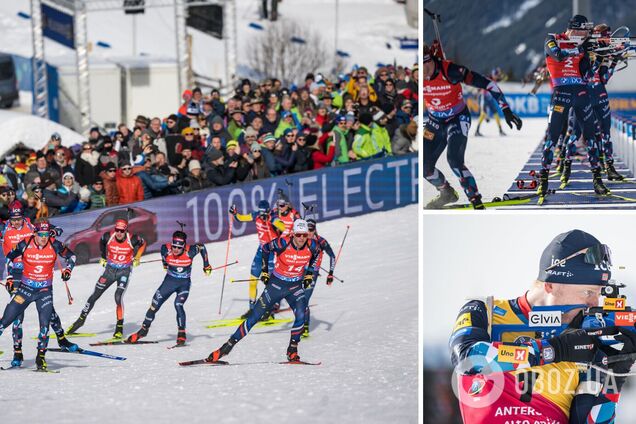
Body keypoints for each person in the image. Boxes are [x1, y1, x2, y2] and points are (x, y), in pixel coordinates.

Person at [450, 229, 635, 423]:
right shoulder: (485, 311)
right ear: (550, 285)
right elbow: (467, 358)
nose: (594, 302)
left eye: (598, 293)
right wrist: (552, 350)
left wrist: (615, 374)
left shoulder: (586, 336)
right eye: (588, 292)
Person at [206, 219, 321, 363]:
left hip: (295, 287)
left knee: (302, 313)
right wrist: (265, 271)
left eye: (305, 235)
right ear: (292, 234)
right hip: (276, 286)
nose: (302, 239)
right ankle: (225, 348)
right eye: (298, 235)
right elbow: (266, 249)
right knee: (254, 317)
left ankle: (292, 349)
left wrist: (309, 273)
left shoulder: (312, 245)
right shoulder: (282, 243)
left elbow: (317, 254)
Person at [423, 43, 522, 209]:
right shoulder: (418, 76)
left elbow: (489, 84)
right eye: (420, 67)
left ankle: (474, 198)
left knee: (454, 160)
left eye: (427, 64)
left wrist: (505, 109)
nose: (424, 71)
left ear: (433, 60)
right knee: (425, 168)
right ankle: (447, 192)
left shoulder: (450, 71)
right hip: (433, 123)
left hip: (457, 118)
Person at [539, 15, 609, 199]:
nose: (586, 34)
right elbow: (558, 56)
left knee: (591, 135)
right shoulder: (553, 39)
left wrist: (598, 59)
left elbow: (587, 75)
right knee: (552, 136)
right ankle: (543, 179)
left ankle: (597, 180)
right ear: (575, 29)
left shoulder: (584, 46)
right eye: (584, 31)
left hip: (581, 93)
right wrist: (579, 48)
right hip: (561, 93)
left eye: (587, 32)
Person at [0, 221, 77, 371]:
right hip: (25, 290)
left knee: (44, 325)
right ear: (35, 233)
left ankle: (40, 358)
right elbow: (9, 257)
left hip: (44, 292)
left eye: (46, 234)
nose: (43, 238)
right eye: (41, 234)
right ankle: (18, 352)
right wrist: (9, 277)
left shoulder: (54, 244)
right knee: (5, 321)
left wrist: (68, 270)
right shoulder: (25, 243)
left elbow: (72, 256)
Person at [126, 230, 211, 346]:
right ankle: (143, 330)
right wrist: (165, 265)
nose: (175, 249)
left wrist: (206, 265)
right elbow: (163, 256)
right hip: (169, 282)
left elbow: (201, 247)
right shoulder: (165, 249)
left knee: (178, 304)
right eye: (174, 246)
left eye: (178, 248)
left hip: (184, 284)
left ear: (184, 247)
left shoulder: (190, 251)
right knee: (154, 305)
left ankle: (182, 334)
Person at [66, 219, 146, 339]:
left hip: (124, 271)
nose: (119, 233)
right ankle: (80, 320)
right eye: (117, 230)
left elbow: (143, 243)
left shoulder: (132, 239)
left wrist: (137, 257)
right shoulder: (108, 236)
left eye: (121, 231)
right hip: (109, 271)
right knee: (94, 296)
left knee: (118, 297)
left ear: (126, 230)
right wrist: (103, 257)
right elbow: (102, 242)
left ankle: (119, 328)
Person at [229, 200, 286, 318]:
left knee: (270, 282)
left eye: (264, 213)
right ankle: (252, 309)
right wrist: (234, 214)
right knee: (252, 280)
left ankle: (269, 309)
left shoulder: (273, 217)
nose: (262, 216)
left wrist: (270, 220)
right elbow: (241, 218)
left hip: (272, 252)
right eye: (261, 213)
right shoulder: (256, 215)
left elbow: (283, 227)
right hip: (261, 251)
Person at [302, 219, 335, 337]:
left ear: (315, 229)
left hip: (313, 273)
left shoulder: (321, 241)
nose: (308, 233)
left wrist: (330, 273)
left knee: (304, 300)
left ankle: (304, 325)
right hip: (300, 271)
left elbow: (332, 256)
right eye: (307, 229)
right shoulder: (301, 238)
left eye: (311, 230)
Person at [474, 68, 508, 137]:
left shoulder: (494, 79)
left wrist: (503, 76)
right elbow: (479, 87)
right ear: (493, 74)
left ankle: (500, 130)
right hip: (484, 97)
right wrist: (477, 96)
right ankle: (477, 131)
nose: (497, 77)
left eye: (497, 75)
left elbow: (501, 79)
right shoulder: (487, 79)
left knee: (496, 114)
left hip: (489, 98)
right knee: (483, 114)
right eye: (496, 75)